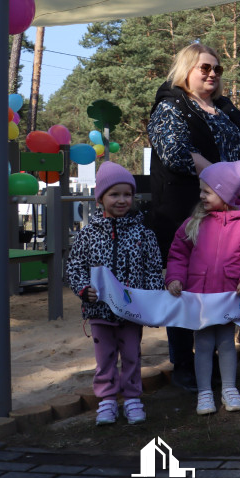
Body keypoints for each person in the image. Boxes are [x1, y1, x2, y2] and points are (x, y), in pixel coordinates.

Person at [148, 43, 240, 389]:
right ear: (186, 70)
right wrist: (224, 181)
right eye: (204, 68)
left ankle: (219, 356)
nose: (212, 74)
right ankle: (184, 363)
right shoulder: (170, 105)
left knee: (224, 279)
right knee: (184, 284)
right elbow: (176, 153)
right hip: (186, 211)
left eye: (217, 69)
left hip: (230, 217)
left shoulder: (226, 109)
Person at [65, 162, 164, 426]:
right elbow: (75, 267)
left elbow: (154, 268)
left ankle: (132, 398)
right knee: (105, 357)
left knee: (131, 355)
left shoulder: (143, 234)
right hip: (99, 311)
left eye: (127, 194)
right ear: (101, 198)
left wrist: (151, 298)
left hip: (131, 312)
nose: (122, 200)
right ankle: (107, 400)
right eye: (114, 194)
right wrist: (84, 290)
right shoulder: (87, 235)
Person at [165, 161, 240, 415]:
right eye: (201, 190)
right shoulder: (194, 222)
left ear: (226, 194)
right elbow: (178, 255)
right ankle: (205, 392)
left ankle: (229, 389)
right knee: (203, 344)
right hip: (199, 299)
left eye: (207, 191)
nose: (201, 196)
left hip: (228, 297)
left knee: (227, 343)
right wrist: (174, 278)